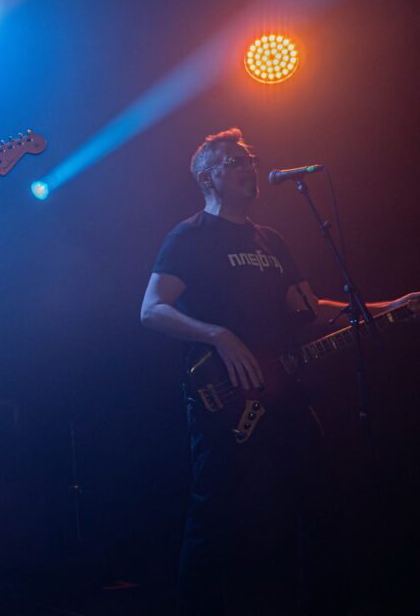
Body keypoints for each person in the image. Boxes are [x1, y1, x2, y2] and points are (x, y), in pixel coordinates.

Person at [139, 128, 419, 615]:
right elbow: (152, 309)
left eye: (249, 158)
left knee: (318, 500)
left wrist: (389, 306)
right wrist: (218, 335)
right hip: (225, 397)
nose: (249, 166)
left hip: (286, 392)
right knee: (216, 513)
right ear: (208, 177)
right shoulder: (190, 236)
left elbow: (311, 309)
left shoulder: (271, 240)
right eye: (235, 160)